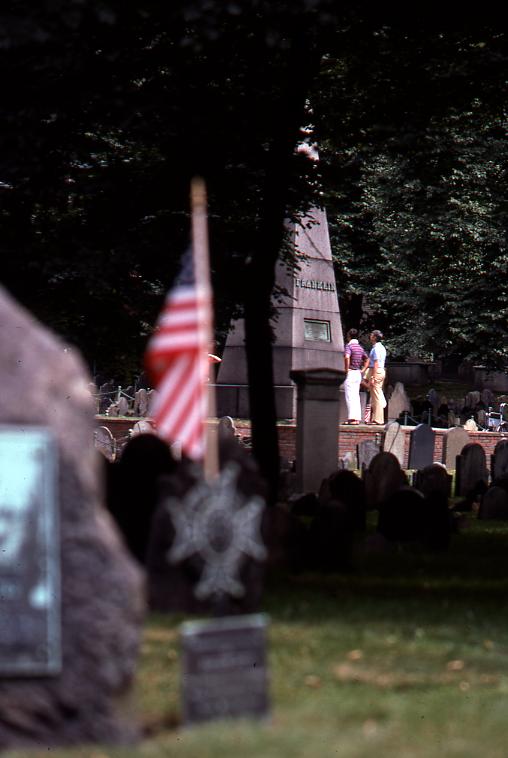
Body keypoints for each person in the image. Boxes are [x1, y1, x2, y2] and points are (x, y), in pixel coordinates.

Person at [343, 329, 369, 425]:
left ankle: (352, 418)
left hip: (351, 372)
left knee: (350, 396)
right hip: (358, 373)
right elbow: (366, 359)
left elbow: (347, 357)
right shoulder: (360, 348)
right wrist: (363, 369)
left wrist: (346, 369)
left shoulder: (349, 346)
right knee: (356, 396)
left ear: (349, 336)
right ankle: (357, 418)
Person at [364, 329, 387, 425]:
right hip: (380, 371)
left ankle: (378, 419)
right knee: (376, 394)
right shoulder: (381, 347)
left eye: (371, 335)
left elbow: (376, 362)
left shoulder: (376, 348)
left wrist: (373, 377)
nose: (370, 336)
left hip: (376, 371)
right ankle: (376, 417)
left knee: (376, 395)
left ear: (374, 337)